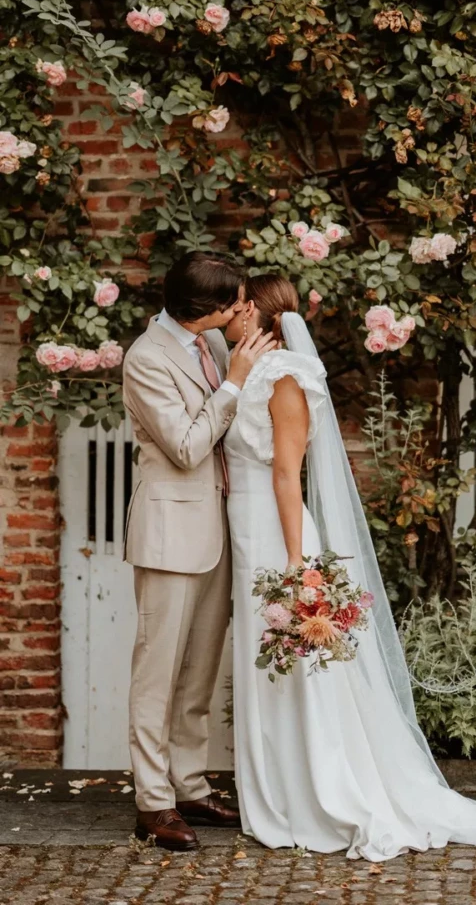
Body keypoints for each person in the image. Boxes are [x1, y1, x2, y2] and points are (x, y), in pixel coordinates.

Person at [222, 273, 476, 862]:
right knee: (269, 666)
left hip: (275, 534)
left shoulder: (285, 376)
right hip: (248, 530)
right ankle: (276, 787)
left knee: (296, 671)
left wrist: (295, 565)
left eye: (238, 310)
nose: (230, 318)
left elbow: (288, 474)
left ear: (257, 318)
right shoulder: (251, 373)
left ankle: (312, 792)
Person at [122, 252, 276, 851]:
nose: (240, 310)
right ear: (200, 311)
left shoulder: (208, 343)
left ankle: (188, 784)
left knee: (199, 675)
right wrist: (235, 382)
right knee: (156, 676)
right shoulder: (146, 359)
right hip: (168, 534)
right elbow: (186, 447)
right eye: (232, 303)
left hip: (218, 530)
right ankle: (153, 804)